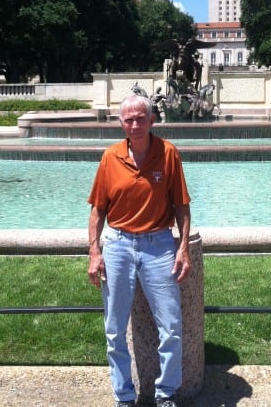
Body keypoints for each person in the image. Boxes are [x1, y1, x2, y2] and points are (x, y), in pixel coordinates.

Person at [87, 94, 191, 407]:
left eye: (140, 118)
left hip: (159, 245)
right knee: (115, 329)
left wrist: (183, 247)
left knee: (171, 327)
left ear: (152, 120)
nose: (135, 125)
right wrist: (94, 252)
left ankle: (165, 393)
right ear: (121, 123)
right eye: (128, 119)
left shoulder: (168, 153)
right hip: (118, 245)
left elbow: (181, 206)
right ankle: (123, 396)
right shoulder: (110, 157)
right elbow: (97, 211)